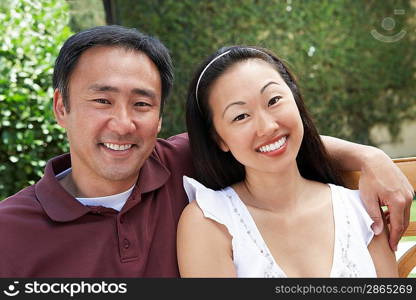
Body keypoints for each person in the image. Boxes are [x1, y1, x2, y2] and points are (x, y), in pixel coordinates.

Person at [0, 26, 412, 277]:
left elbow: (270, 142)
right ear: (61, 107)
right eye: (102, 101)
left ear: (160, 118)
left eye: (142, 104)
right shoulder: (10, 232)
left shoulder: (180, 163)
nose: (124, 124)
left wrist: (370, 158)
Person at [177, 46, 400, 277]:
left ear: (295, 99)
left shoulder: (361, 211)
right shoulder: (210, 221)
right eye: (241, 116)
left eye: (273, 100)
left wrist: (371, 156)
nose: (268, 127)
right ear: (219, 139)